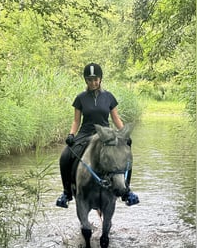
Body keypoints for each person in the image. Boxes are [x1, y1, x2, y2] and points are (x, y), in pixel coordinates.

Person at [56, 62, 139, 208]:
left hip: (105, 134)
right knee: (64, 156)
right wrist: (71, 134)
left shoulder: (108, 97)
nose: (93, 82)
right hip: (85, 133)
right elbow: (76, 121)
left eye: (96, 79)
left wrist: (124, 133)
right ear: (85, 80)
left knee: (125, 154)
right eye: (90, 79)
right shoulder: (80, 98)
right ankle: (66, 193)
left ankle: (126, 191)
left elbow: (115, 118)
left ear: (100, 79)